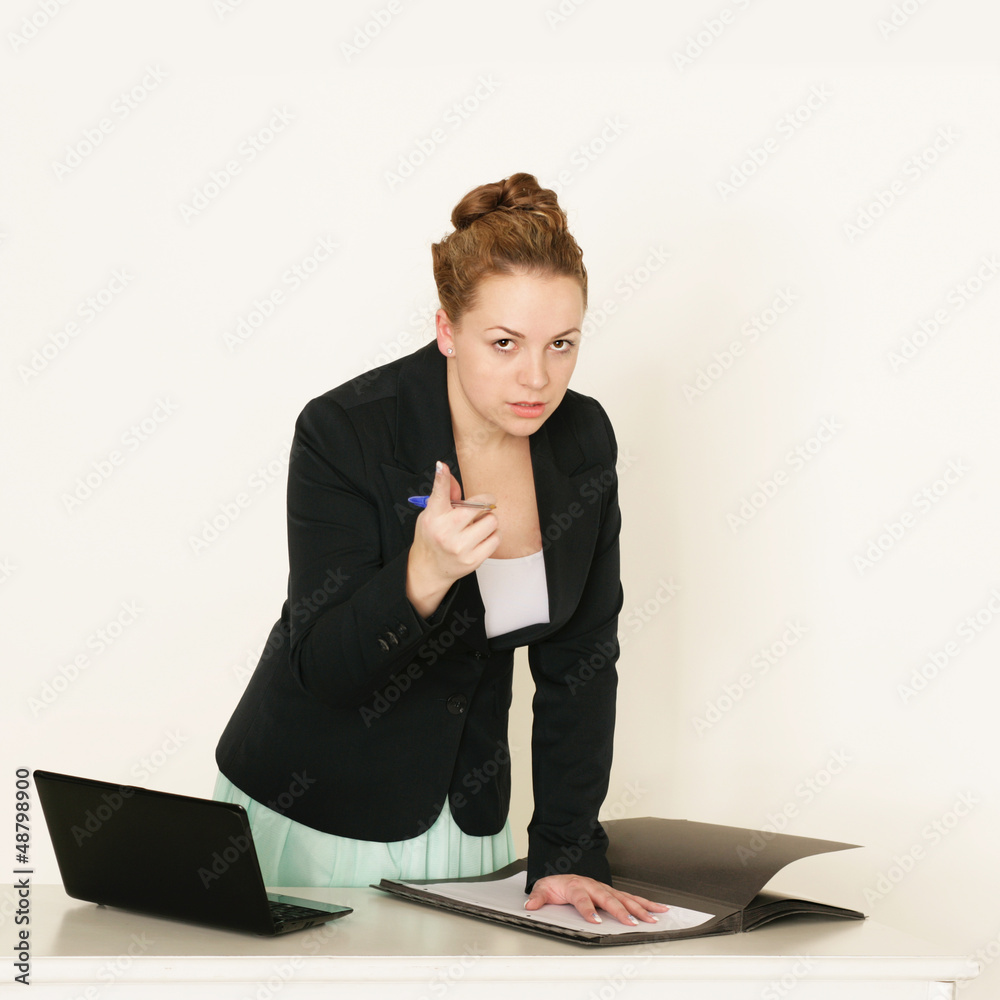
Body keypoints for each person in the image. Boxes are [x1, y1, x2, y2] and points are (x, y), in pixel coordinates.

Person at [213, 172, 666, 926]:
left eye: (562, 344)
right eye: (504, 343)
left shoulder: (583, 438)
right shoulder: (344, 431)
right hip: (316, 808)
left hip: (467, 820)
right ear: (448, 331)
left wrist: (566, 853)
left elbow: (582, 667)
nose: (537, 377)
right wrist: (423, 574)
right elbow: (321, 666)